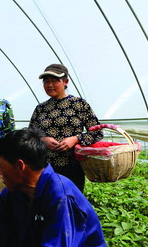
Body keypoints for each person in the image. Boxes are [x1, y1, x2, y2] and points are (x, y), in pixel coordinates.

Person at [29, 64, 103, 192]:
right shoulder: (41, 108)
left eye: (54, 81)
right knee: (48, 203)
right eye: (46, 81)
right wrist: (42, 139)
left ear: (65, 82)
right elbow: (29, 135)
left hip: (73, 167)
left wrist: (75, 139)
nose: (49, 85)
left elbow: (97, 132)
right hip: (45, 167)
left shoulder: (79, 104)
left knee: (71, 202)